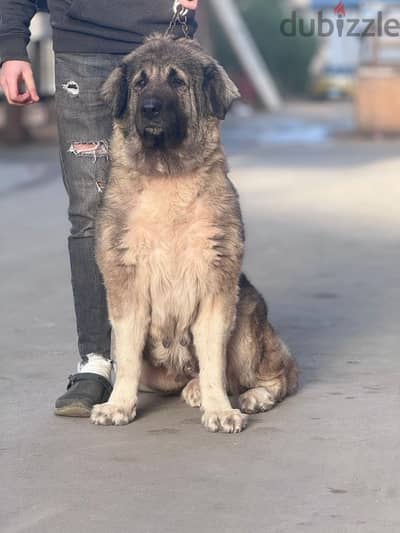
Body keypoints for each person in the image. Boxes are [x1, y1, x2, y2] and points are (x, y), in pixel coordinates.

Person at [0, 0, 198, 417]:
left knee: (183, 207)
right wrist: (11, 46)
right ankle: (95, 363)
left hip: (164, 43)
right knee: (91, 210)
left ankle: (174, 355)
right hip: (82, 49)